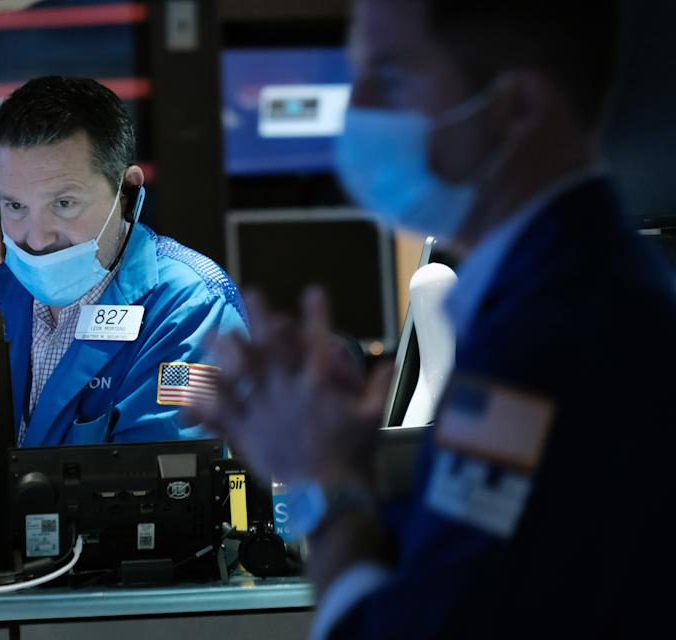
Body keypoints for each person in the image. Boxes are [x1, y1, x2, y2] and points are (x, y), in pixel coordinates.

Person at [195, 1, 676, 638]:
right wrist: (361, 466)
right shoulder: (562, 288)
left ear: (517, 108)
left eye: (389, 77)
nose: (357, 103)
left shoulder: (546, 331)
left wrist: (326, 485)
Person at [0, 76, 246, 447]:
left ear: (127, 191)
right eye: (15, 206)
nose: (37, 239)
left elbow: (170, 483)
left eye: (64, 204)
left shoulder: (189, 309)